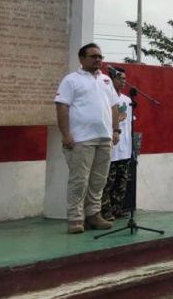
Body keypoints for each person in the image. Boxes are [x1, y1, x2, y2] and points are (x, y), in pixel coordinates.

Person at [54, 43, 121, 234]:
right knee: (79, 180)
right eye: (93, 56)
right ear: (81, 59)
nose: (98, 59)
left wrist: (116, 130)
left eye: (100, 56)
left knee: (99, 180)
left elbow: (114, 106)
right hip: (81, 139)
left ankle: (93, 215)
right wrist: (66, 134)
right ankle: (75, 218)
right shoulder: (71, 80)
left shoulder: (107, 80)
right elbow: (61, 107)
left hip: (104, 138)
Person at [100, 67, 132, 221]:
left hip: (125, 149)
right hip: (111, 148)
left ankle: (117, 208)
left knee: (122, 182)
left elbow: (130, 123)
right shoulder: (106, 98)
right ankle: (105, 211)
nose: (123, 81)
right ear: (112, 79)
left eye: (125, 79)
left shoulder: (127, 100)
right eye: (120, 78)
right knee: (108, 182)